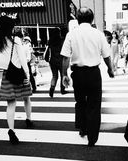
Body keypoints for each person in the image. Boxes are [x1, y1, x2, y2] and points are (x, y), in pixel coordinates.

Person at [61, 7, 114, 147]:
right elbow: (106, 55)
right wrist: (110, 69)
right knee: (94, 104)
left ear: (77, 19)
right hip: (93, 74)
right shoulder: (98, 34)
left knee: (80, 102)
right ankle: (92, 137)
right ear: (92, 19)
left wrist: (64, 74)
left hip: (78, 73)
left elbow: (65, 57)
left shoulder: (71, 35)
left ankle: (83, 128)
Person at [0, 15, 35, 145]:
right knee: (26, 97)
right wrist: (27, 76)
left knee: (11, 104)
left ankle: (11, 130)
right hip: (19, 73)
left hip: (7, 74)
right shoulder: (15, 40)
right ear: (10, 27)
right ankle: (28, 119)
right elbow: (22, 60)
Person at [47, 27, 67, 97]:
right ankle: (62, 89)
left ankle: (51, 90)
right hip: (61, 60)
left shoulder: (50, 41)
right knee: (62, 75)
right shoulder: (62, 40)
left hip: (52, 61)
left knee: (54, 76)